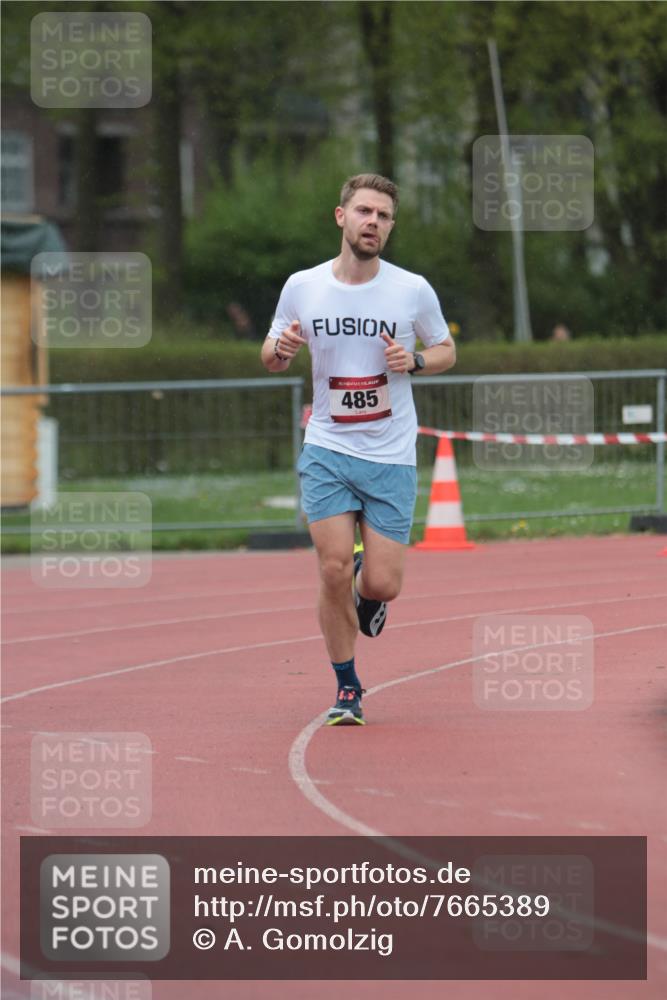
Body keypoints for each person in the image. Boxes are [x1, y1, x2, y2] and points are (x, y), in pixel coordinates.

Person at [260, 173, 456, 725]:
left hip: (390, 453)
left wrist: (415, 361)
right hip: (327, 446)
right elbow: (271, 354)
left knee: (382, 584)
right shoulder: (303, 285)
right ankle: (347, 688)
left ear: (391, 228)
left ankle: (369, 585)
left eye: (384, 216)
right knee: (330, 568)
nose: (374, 222)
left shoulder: (411, 289)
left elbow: (445, 349)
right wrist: (282, 348)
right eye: (365, 211)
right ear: (341, 217)